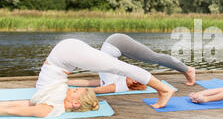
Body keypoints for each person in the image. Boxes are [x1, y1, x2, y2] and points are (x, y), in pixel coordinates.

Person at [0, 39, 174, 118]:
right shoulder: (52, 106)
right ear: (76, 104)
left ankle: (164, 89)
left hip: (66, 55)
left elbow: (16, 108)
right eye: (75, 90)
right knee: (120, 67)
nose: (73, 89)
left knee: (119, 67)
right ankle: (164, 89)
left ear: (75, 104)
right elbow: (17, 108)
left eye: (75, 90)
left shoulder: (48, 106)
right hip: (66, 55)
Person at [68, 33, 196, 94]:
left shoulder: (116, 83)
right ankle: (187, 69)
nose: (135, 75)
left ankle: (187, 69)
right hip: (117, 43)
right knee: (153, 57)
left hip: (115, 44)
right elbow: (97, 89)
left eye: (135, 78)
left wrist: (67, 83)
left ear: (133, 82)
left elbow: (91, 84)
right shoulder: (120, 81)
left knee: (154, 57)